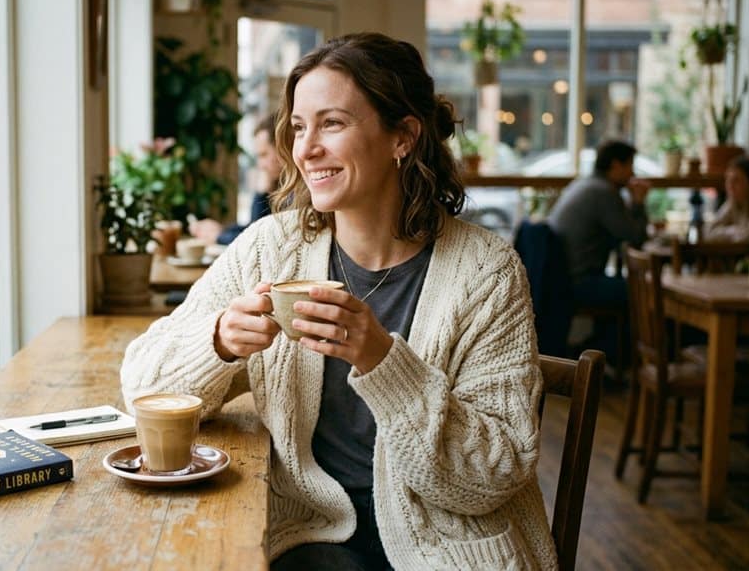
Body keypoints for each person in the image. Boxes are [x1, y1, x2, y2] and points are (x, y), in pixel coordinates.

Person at [121, 33, 556, 570]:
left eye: (332, 123)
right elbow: (141, 386)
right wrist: (219, 342)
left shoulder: (486, 272)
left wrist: (382, 361)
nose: (305, 149)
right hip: (312, 537)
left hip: (451, 547)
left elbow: (493, 474)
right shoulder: (270, 249)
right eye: (300, 127)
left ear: (403, 137)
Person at [547, 139, 649, 365]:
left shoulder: (583, 184)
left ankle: (605, 352)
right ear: (616, 165)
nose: (633, 173)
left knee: (625, 287)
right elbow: (635, 237)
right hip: (581, 281)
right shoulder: (604, 193)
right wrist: (639, 202)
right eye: (630, 166)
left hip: (562, 279)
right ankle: (623, 360)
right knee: (642, 291)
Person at [189, 114, 282, 246]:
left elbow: (258, 242)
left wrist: (219, 237)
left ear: (283, 148)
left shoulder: (296, 195)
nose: (260, 165)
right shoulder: (279, 186)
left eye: (264, 155)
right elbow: (254, 228)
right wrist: (222, 230)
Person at [704, 155, 749, 243]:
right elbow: (708, 233)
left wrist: (726, 233)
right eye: (728, 179)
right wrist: (733, 230)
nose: (730, 185)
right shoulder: (732, 203)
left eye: (736, 180)